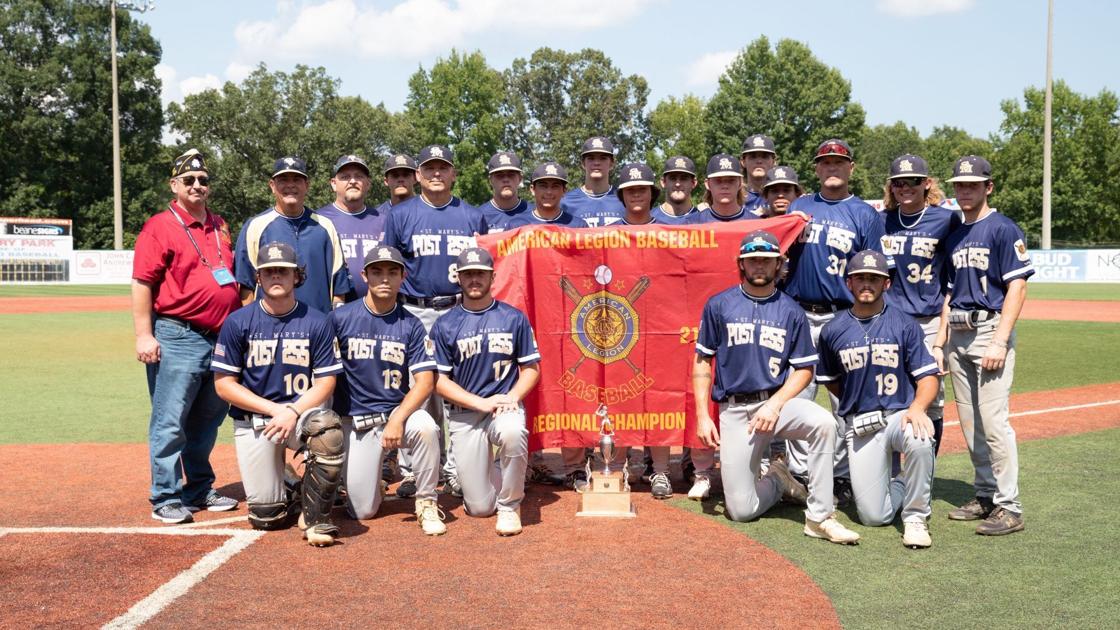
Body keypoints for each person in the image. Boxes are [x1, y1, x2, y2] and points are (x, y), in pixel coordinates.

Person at [693, 230, 860, 544]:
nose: (759, 266)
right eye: (752, 260)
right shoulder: (719, 304)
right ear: (741, 264)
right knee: (741, 511)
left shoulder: (790, 309)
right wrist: (704, 416)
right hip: (737, 410)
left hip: (777, 405)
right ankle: (779, 480)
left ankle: (820, 516)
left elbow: (804, 369)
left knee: (824, 422)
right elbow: (703, 361)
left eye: (767, 260)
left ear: (779, 264)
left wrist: (776, 403)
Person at [132, 149, 242, 524]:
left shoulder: (220, 225)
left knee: (208, 419)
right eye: (189, 180)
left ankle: (197, 488)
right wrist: (144, 335)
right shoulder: (159, 226)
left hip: (220, 338)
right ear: (174, 185)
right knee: (170, 418)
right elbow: (142, 282)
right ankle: (165, 494)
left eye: (204, 180)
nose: (198, 185)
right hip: (178, 334)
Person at [211, 242, 346, 547]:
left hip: (299, 416)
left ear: (297, 276)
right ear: (258, 277)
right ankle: (291, 482)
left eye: (283, 271)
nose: (276, 276)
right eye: (268, 271)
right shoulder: (238, 322)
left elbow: (325, 382)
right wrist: (275, 410)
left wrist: (293, 411)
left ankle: (316, 519)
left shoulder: (316, 321)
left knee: (327, 430)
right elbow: (224, 385)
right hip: (257, 421)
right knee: (267, 518)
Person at [783, 138, 889, 505]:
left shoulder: (864, 214)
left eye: (838, 162)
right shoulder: (800, 207)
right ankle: (799, 474)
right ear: (816, 168)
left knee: (844, 398)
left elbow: (872, 272)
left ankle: (842, 475)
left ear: (850, 168)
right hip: (798, 312)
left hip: (843, 317)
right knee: (799, 397)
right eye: (825, 162)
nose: (832, 167)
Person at [382, 144, 488, 498]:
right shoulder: (400, 215)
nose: (436, 173)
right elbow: (391, 268)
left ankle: (457, 469)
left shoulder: (472, 215)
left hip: (460, 309)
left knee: (458, 389)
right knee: (420, 390)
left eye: (443, 167)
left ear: (454, 173)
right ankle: (415, 471)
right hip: (415, 310)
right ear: (418, 175)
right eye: (429, 168)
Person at [935, 155, 1033, 536]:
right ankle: (986, 495)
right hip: (958, 332)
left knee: (994, 424)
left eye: (972, 185)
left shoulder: (1003, 229)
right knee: (972, 423)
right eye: (959, 185)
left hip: (989, 330)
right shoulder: (955, 232)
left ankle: (1011, 507)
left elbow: (1018, 287)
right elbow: (948, 292)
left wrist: (1000, 340)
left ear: (988, 187)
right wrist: (942, 340)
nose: (964, 191)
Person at [816, 250, 939, 549]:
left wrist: (918, 407)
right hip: (862, 422)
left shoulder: (905, 324)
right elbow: (830, 380)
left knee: (920, 437)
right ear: (849, 283)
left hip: (899, 414)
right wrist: (855, 402)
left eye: (874, 278)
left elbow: (928, 377)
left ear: (886, 284)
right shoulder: (833, 330)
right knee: (875, 516)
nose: (866, 284)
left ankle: (915, 517)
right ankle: (901, 483)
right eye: (860, 279)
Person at [328, 245, 446, 535]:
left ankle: (427, 501)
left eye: (392, 272)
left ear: (402, 276)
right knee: (363, 511)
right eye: (377, 271)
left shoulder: (411, 324)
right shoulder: (340, 319)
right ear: (364, 275)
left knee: (427, 427)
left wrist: (398, 418)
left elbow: (425, 381)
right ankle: (376, 477)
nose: (384, 278)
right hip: (356, 422)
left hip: (396, 416)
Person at [430, 247, 541, 536]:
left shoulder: (513, 318)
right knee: (479, 508)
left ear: (492, 276)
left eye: (480, 273)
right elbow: (439, 381)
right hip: (466, 413)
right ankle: (492, 473)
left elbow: (531, 369)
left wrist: (513, 397)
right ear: (459, 278)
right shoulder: (445, 324)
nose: (474, 279)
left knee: (514, 433)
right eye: (468, 274)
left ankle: (510, 504)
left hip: (504, 407)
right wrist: (480, 402)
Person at [879, 154, 960, 457]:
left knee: (933, 399)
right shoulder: (882, 220)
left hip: (928, 322)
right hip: (889, 322)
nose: (905, 187)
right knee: (888, 394)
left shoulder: (946, 219)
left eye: (913, 181)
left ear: (926, 183)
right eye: (898, 182)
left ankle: (925, 470)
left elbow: (955, 275)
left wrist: (942, 337)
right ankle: (891, 471)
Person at [233, 156, 352, 313]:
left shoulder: (325, 226)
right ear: (272, 185)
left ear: (306, 185)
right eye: (283, 179)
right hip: (268, 330)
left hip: (318, 328)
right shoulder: (255, 226)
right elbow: (245, 285)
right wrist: (251, 324)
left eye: (297, 179)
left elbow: (339, 286)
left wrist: (334, 325)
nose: (290, 185)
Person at [316, 154, 386, 301]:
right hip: (332, 310)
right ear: (333, 184)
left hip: (377, 311)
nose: (353, 181)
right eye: (345, 177)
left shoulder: (384, 221)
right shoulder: (318, 221)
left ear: (368, 184)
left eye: (359, 176)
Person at [561, 136, 626, 227]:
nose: (596, 163)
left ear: (612, 163)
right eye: (591, 158)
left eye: (603, 158)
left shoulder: (624, 199)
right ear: (583, 163)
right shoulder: (565, 202)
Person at [507, 162, 588, 228]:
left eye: (555, 186)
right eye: (543, 186)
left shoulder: (578, 226)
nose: (549, 192)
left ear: (564, 191)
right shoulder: (516, 226)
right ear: (532, 189)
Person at [687, 154, 752, 224]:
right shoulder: (691, 223)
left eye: (731, 180)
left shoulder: (755, 222)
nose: (725, 186)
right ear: (707, 184)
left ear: (740, 183)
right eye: (718, 180)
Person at [480, 151, 530, 233]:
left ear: (520, 178)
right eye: (499, 175)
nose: (506, 179)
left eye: (511, 174)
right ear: (490, 180)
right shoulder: (479, 216)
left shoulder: (535, 214)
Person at [655, 156, 702, 224]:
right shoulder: (650, 220)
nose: (678, 184)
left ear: (693, 183)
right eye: (673, 178)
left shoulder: (703, 221)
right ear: (663, 182)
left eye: (684, 178)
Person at [740, 134, 778, 213]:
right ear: (743, 162)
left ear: (774, 162)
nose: (759, 161)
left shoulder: (783, 196)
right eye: (753, 157)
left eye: (765, 157)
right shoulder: (734, 197)